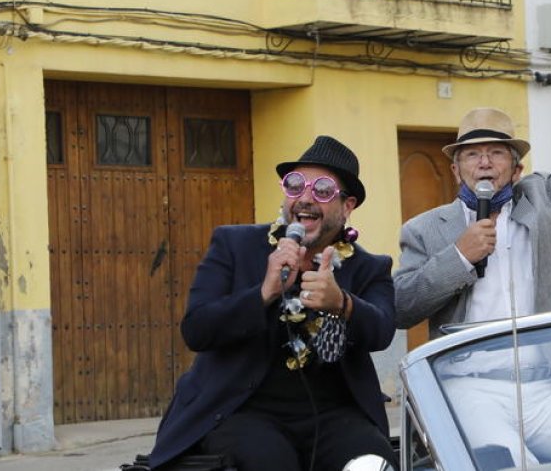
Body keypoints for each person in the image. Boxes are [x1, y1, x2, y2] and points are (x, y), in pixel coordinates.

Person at [394, 12, 551, 465]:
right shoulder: (425, 229)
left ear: (516, 168)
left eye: (497, 152)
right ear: (456, 169)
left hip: (549, 385)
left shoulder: (548, 203)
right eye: (473, 154)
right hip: (470, 386)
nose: (484, 163)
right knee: (510, 461)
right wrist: (459, 257)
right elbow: (402, 306)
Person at [149, 136, 396, 471]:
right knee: (270, 461)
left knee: (370, 463)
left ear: (347, 206)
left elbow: (382, 330)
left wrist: (342, 303)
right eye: (295, 185)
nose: (305, 199)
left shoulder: (369, 267)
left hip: (334, 416)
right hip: (242, 410)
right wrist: (264, 292)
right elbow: (197, 329)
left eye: (322, 190)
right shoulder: (234, 245)